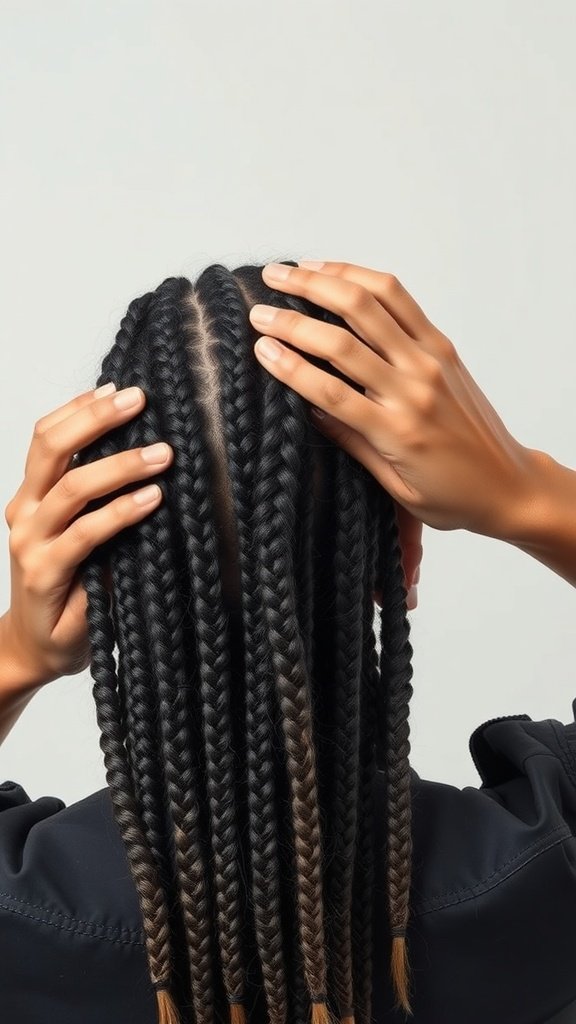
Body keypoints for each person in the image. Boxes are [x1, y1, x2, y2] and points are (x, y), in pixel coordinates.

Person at [0, 259, 575, 1024]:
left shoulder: (25, 920)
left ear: (101, 586)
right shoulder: (544, 867)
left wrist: (19, 654)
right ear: (402, 554)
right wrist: (527, 491)